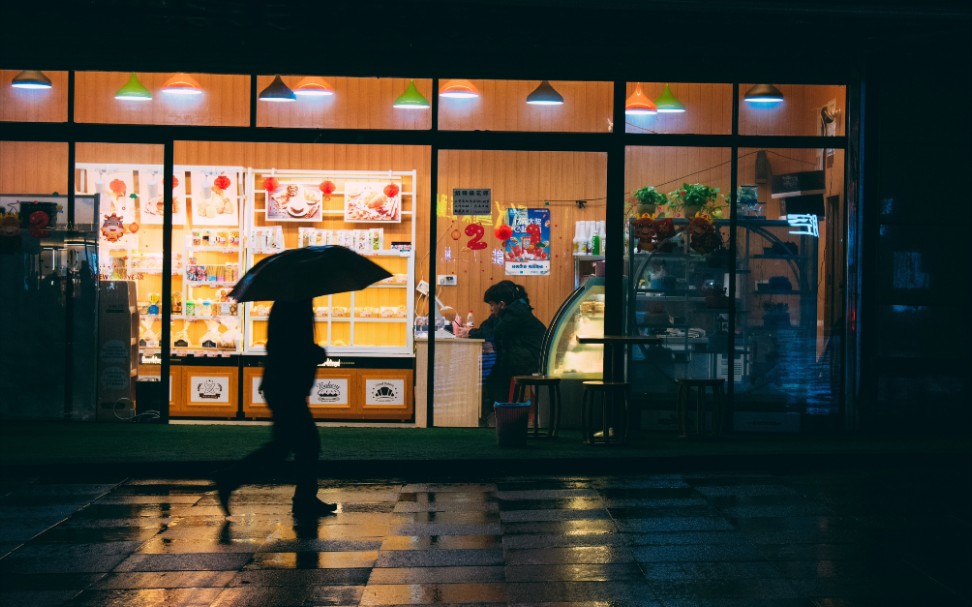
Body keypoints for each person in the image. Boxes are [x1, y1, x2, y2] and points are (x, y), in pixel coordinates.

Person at [215, 299, 336, 517]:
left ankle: (303, 498)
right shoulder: (294, 306)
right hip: (286, 386)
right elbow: (290, 347)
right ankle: (230, 479)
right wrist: (314, 353)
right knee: (304, 444)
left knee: (292, 445)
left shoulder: (288, 303)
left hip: (282, 386)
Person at [457, 280, 546, 423]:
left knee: (497, 373)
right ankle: (495, 412)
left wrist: (472, 332)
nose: (491, 308)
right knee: (496, 371)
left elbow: (495, 333)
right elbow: (486, 326)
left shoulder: (516, 313)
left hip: (533, 358)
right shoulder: (508, 312)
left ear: (502, 304)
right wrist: (475, 331)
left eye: (492, 304)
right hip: (525, 354)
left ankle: (497, 412)